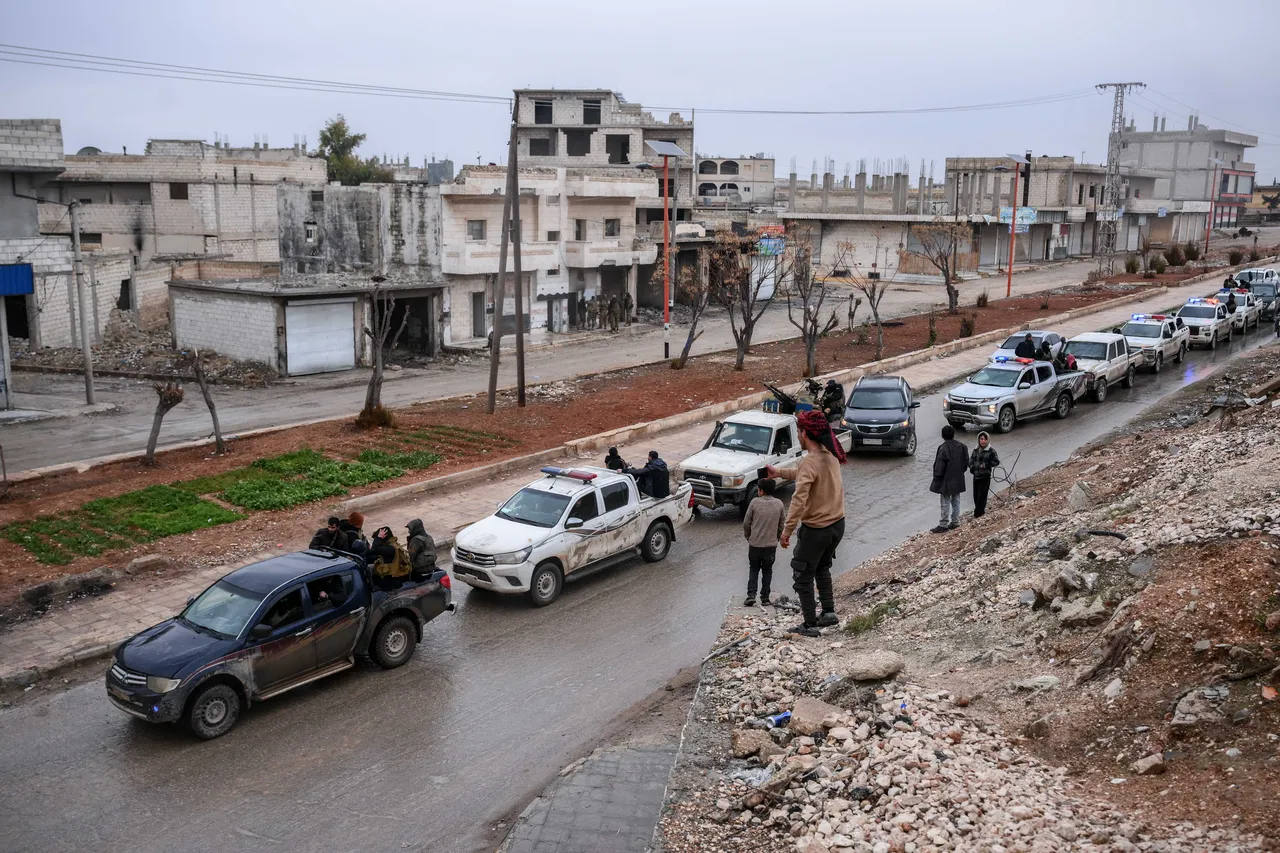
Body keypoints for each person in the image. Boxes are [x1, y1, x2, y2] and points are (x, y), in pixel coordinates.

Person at [765, 410, 847, 637]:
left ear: (804, 433)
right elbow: (805, 473)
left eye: (799, 432)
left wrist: (786, 531)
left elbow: (798, 500)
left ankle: (810, 624)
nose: (798, 435)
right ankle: (828, 612)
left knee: (802, 575)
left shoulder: (809, 462)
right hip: (837, 526)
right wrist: (779, 472)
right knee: (822, 567)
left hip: (816, 530)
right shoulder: (831, 455)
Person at [742, 479, 784, 607]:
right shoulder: (779, 504)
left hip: (755, 544)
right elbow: (781, 525)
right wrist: (776, 537)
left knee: (753, 569)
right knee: (768, 570)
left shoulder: (754, 503)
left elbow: (746, 523)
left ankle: (751, 596)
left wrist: (748, 536)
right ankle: (765, 598)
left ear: (761, 491)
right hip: (770, 546)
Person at [930, 425, 969, 533]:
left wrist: (937, 477)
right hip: (958, 477)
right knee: (956, 499)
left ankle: (943, 524)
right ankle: (955, 521)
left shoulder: (943, 448)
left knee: (945, 500)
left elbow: (939, 467)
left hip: (946, 479)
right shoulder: (962, 446)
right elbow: (966, 463)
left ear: (943, 435)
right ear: (953, 434)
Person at [968, 431, 1000, 519]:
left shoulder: (991, 451)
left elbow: (996, 461)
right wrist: (971, 466)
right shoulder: (976, 449)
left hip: (985, 476)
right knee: (975, 495)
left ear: (988, 440)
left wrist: (986, 465)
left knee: (981, 495)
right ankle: (979, 511)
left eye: (985, 439)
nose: (983, 441)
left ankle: (978, 513)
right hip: (976, 475)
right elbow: (971, 459)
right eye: (981, 439)